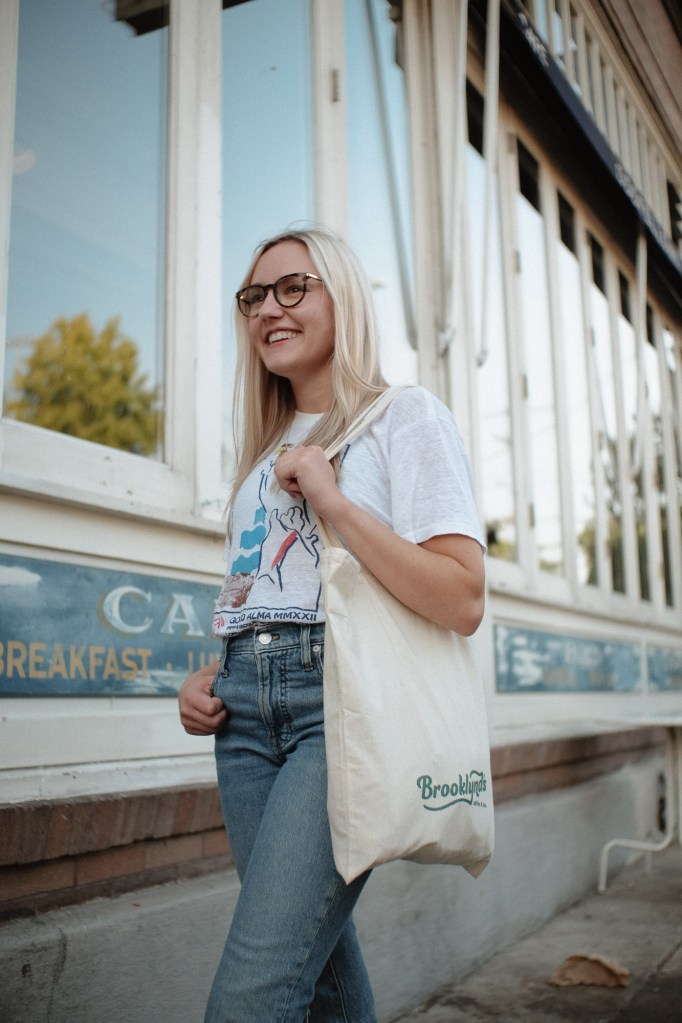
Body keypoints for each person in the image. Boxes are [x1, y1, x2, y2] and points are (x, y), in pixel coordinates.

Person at [178, 225, 486, 1023]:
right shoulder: (254, 462)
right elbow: (261, 595)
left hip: (337, 713)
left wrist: (334, 498)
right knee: (320, 979)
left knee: (253, 991)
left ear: (341, 297)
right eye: (254, 296)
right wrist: (212, 675)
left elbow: (462, 597)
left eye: (293, 288)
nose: (268, 310)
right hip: (243, 725)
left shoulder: (403, 417)